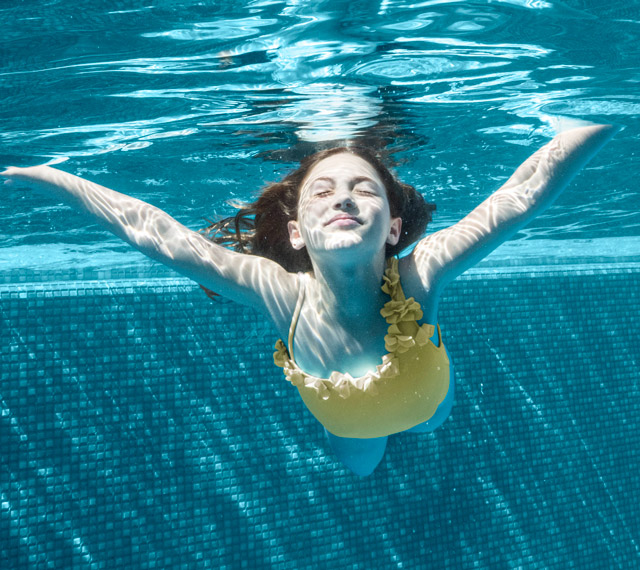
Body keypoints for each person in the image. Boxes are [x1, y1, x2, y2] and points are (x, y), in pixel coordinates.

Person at [2, 123, 617, 476]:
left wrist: (607, 114)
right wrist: (53, 178)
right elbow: (157, 235)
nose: (342, 198)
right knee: (360, 467)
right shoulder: (279, 293)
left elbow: (521, 194)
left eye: (363, 190)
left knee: (432, 419)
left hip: (427, 399)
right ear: (296, 229)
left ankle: (418, 420)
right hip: (351, 426)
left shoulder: (420, 276)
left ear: (395, 227)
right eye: (321, 191)